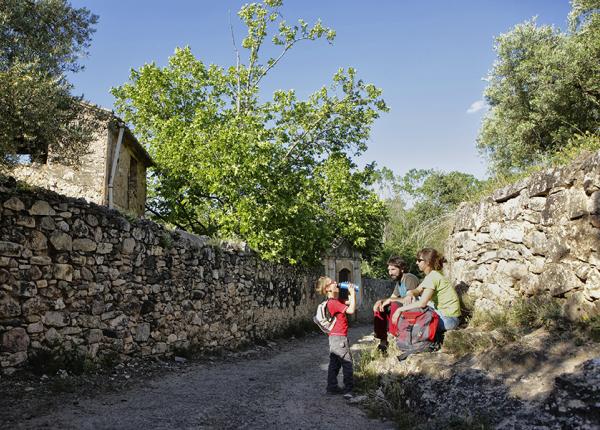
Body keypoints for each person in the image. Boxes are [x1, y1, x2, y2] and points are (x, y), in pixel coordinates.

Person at [391, 248, 461, 332]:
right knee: (415, 300)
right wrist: (410, 293)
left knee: (416, 306)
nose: (416, 262)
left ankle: (400, 332)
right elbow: (417, 290)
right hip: (448, 316)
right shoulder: (431, 276)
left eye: (419, 260)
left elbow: (422, 303)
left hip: (448, 319)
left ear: (427, 262)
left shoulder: (432, 277)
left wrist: (399, 310)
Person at [315, 276, 356, 398]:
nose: (336, 283)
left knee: (335, 363)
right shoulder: (333, 303)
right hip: (339, 338)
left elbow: (349, 302)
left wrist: (349, 291)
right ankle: (349, 389)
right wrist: (353, 292)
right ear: (328, 288)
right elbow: (352, 309)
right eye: (333, 283)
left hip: (333, 337)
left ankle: (331, 387)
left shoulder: (334, 302)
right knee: (347, 362)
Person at [372, 256, 420, 354]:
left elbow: (410, 300)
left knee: (394, 304)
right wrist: (380, 301)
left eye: (393, 269)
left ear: (402, 269)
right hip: (404, 309)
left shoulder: (409, 278)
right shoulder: (399, 282)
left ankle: (394, 337)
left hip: (416, 310)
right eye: (389, 270)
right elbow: (392, 297)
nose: (390, 272)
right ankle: (383, 341)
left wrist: (390, 300)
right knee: (381, 306)